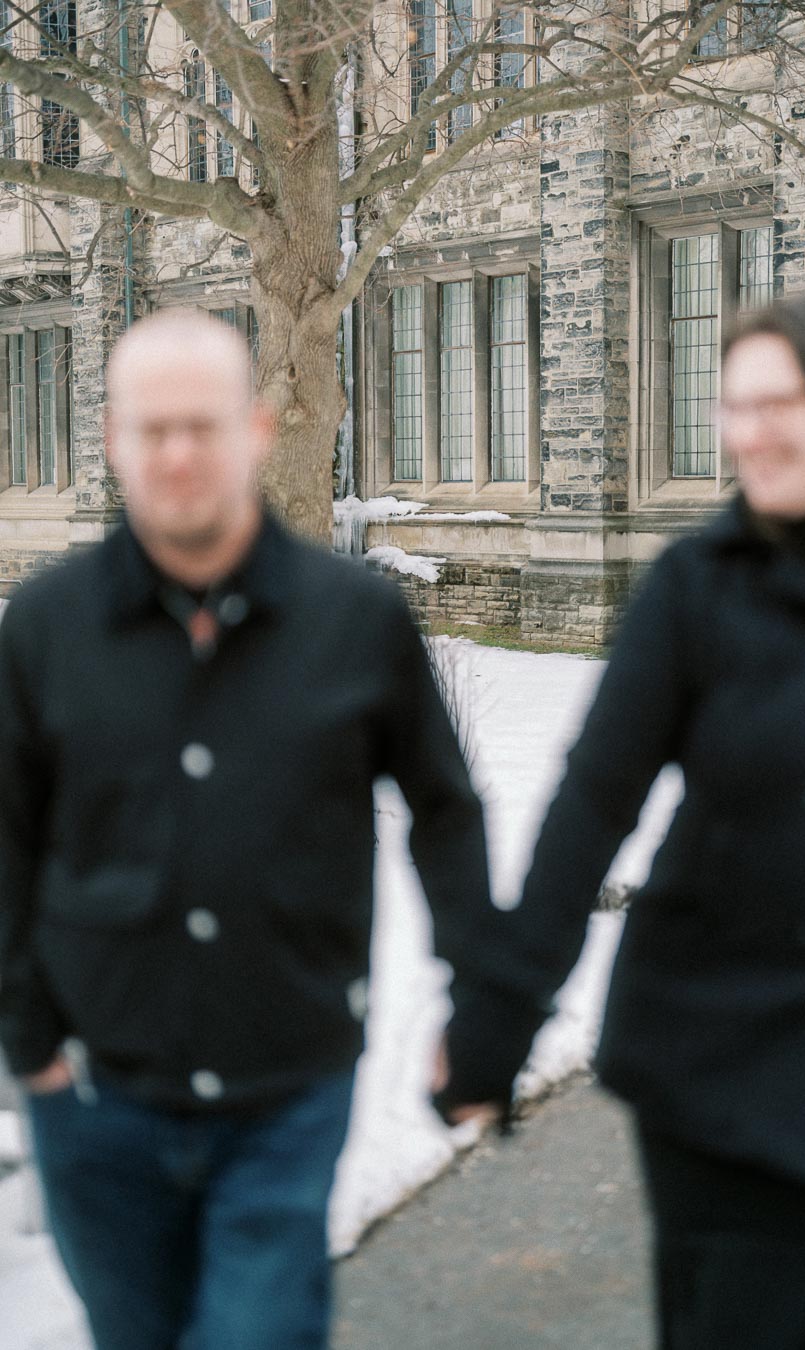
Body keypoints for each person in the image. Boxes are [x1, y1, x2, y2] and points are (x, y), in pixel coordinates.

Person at [0, 308, 498, 1350]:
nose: (179, 454)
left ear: (258, 429)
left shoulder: (355, 619)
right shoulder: (44, 629)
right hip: (97, 1095)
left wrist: (478, 999)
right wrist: (29, 1040)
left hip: (287, 1088)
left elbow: (445, 813)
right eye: (154, 428)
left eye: (204, 425)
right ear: (113, 438)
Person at [437, 291, 805, 1347]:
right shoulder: (700, 586)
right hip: (722, 1063)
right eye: (735, 406)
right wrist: (494, 1021)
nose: (750, 433)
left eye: (780, 403)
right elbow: (593, 803)